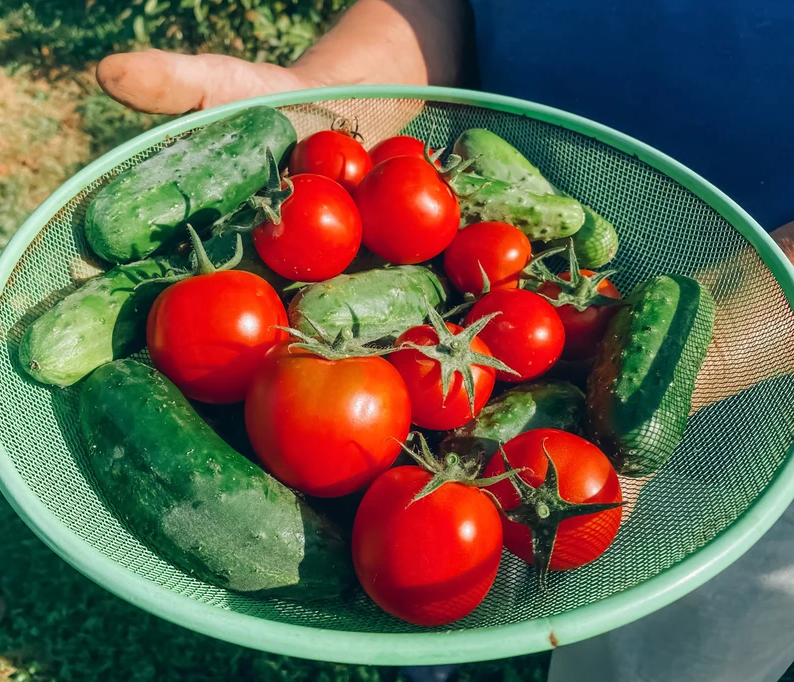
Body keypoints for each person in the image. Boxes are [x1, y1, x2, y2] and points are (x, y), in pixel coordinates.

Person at [96, 1, 794, 680]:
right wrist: (339, 96)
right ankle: (433, 649)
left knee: (667, 658)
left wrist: (692, 363)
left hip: (765, 378)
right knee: (430, 587)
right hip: (485, 241)